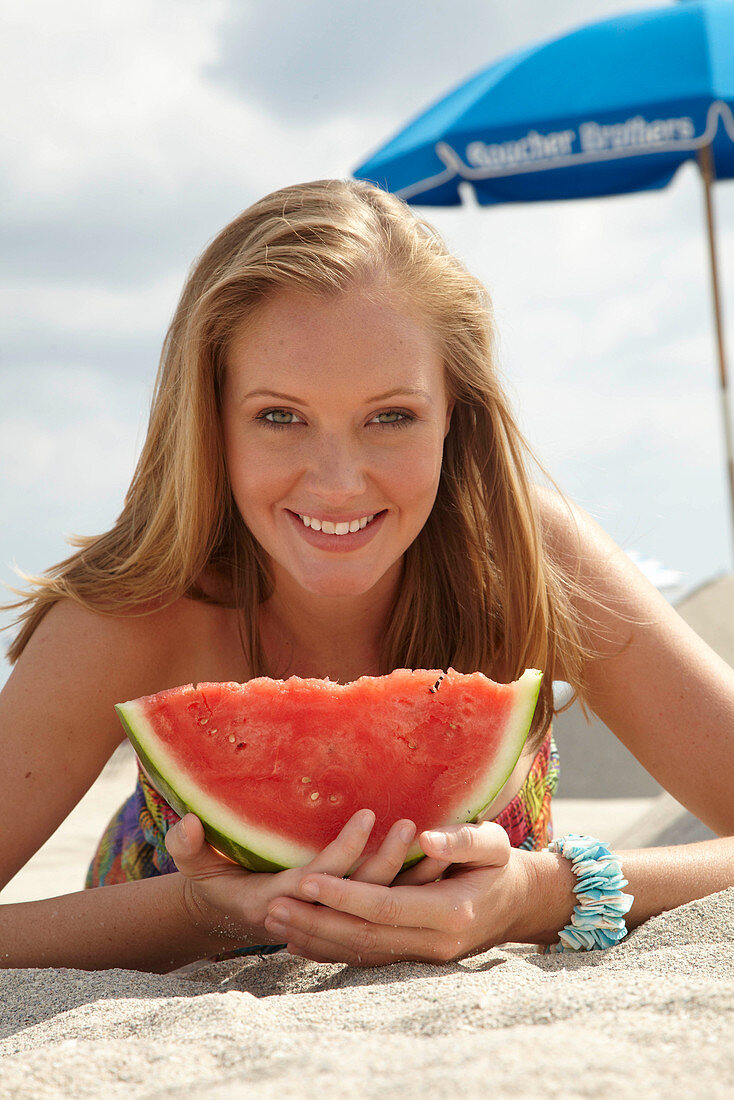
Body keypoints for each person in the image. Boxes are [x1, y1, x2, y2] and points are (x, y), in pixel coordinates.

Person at [2, 179, 733, 973]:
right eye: (280, 416)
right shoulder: (134, 615)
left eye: (391, 417)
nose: (339, 483)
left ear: (456, 410)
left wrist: (537, 895)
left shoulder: (532, 560)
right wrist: (191, 912)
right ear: (210, 418)